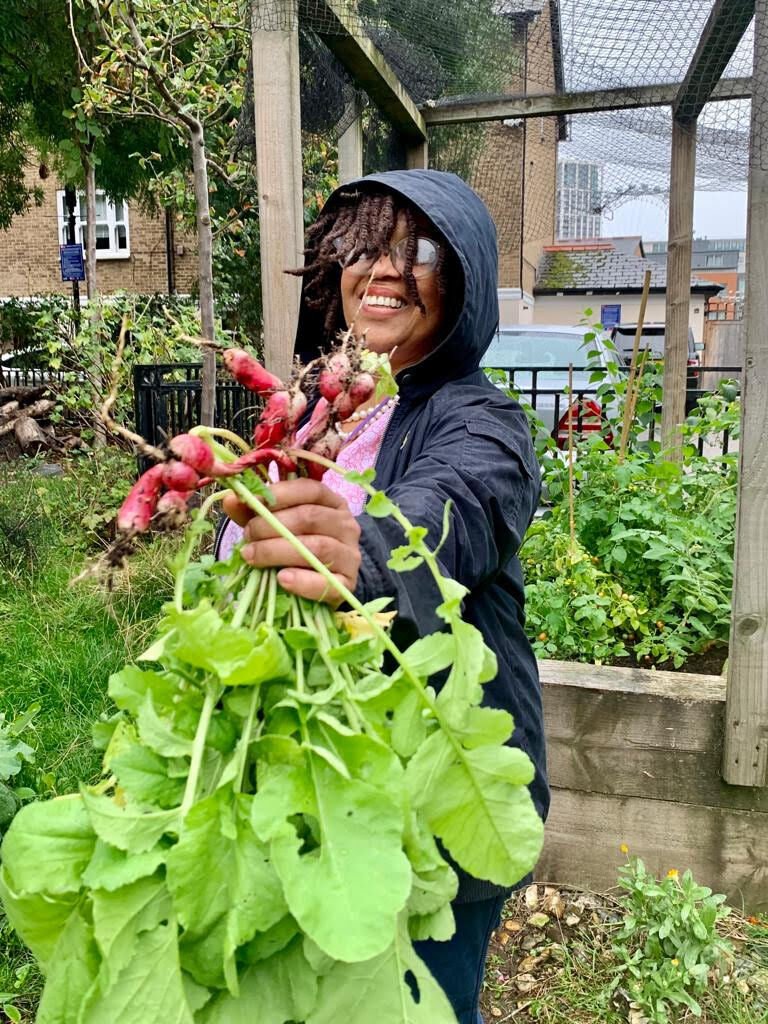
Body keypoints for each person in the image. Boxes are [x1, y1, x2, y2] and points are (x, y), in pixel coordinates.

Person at [219, 169, 548, 1024]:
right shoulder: (314, 415)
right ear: (337, 268)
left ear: (464, 281)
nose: (391, 269)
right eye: (368, 246)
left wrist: (357, 554)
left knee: (421, 1004)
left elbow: (458, 508)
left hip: (433, 793)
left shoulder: (481, 421)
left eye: (424, 251)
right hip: (312, 781)